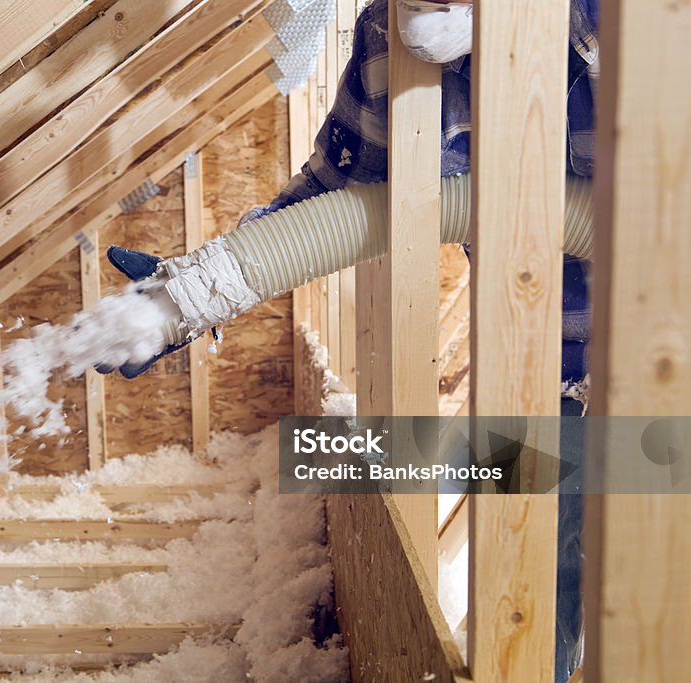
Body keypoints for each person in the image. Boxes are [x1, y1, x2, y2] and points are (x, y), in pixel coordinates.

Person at [101, 1, 596, 679]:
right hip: (542, 372)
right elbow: (340, 197)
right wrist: (187, 295)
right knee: (537, 615)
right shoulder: (386, 36)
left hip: (664, 358)